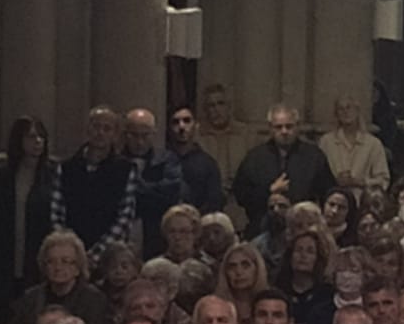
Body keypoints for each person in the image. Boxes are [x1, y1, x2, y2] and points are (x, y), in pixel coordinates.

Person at [0, 116, 59, 323]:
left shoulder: (53, 176)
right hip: (2, 260)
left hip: (37, 261)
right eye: (32, 136)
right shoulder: (1, 177)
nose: (38, 141)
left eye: (41, 136)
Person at [231, 104, 335, 239]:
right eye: (279, 127)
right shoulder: (255, 157)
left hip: (305, 231)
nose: (284, 131)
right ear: (270, 128)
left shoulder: (314, 156)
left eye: (289, 126)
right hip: (262, 231)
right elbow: (241, 194)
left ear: (298, 127)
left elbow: (328, 192)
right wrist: (269, 190)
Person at [52, 106, 139, 263]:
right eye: (96, 127)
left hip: (109, 257)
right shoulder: (66, 167)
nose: (100, 133)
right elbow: (57, 213)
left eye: (107, 128)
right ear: (87, 129)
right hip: (69, 257)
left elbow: (125, 216)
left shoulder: (126, 169)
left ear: (115, 135)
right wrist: (72, 251)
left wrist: (96, 255)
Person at [11, 230, 112, 324]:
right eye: (51, 261)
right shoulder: (30, 299)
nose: (58, 267)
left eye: (65, 261)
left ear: (78, 268)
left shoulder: (94, 300)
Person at [121, 108, 184, 258]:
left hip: (156, 233)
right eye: (134, 135)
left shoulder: (167, 160)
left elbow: (170, 194)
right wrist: (152, 191)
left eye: (145, 135)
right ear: (125, 134)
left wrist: (136, 188)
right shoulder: (116, 162)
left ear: (154, 134)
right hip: (124, 232)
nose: (140, 141)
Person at [318, 94, 390, 197]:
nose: (345, 112)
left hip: (363, 201)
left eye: (349, 107)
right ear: (336, 114)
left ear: (357, 111)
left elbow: (383, 181)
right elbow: (318, 176)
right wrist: (335, 181)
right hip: (334, 201)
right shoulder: (326, 142)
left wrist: (360, 182)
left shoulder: (373, 144)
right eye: (341, 109)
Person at [166, 103, 225, 215]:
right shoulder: (161, 162)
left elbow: (214, 203)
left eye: (187, 120)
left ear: (196, 125)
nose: (181, 126)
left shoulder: (208, 164)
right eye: (176, 122)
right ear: (169, 127)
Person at [216, 242, 269, 324]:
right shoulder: (216, 306)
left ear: (257, 269)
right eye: (232, 267)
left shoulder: (271, 302)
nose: (239, 272)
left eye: (245, 265)